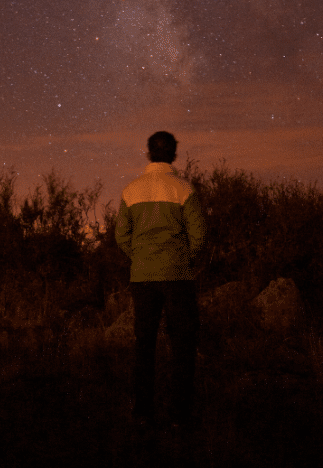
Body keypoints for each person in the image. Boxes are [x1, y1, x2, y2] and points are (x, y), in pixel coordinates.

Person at [115, 131, 207, 433]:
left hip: (143, 277)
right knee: (182, 345)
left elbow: (121, 235)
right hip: (177, 276)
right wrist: (182, 257)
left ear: (148, 154)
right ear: (174, 155)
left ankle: (143, 412)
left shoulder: (131, 190)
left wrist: (140, 256)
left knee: (145, 345)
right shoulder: (184, 189)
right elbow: (199, 235)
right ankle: (179, 415)